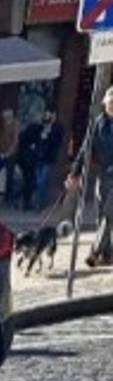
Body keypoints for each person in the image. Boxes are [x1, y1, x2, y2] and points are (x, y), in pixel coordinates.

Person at [80, 88, 113, 267]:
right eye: (110, 102)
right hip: (103, 174)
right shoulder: (98, 124)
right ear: (105, 104)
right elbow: (86, 148)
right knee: (100, 216)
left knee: (109, 215)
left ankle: (95, 251)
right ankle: (108, 254)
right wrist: (74, 173)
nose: (112, 106)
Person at [19, 109, 65, 212]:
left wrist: (48, 135)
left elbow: (57, 142)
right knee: (35, 181)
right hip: (38, 158)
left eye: (50, 116)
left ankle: (39, 205)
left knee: (42, 182)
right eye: (46, 116)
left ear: (54, 116)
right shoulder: (41, 127)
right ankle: (34, 202)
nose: (47, 118)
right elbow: (33, 138)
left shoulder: (58, 128)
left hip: (48, 159)